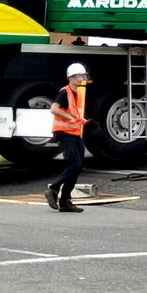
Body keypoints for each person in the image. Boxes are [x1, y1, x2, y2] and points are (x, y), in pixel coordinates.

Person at [45, 62, 90, 213]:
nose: (82, 78)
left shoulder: (77, 93)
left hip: (76, 133)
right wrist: (69, 118)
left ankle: (65, 201)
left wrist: (85, 121)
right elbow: (54, 109)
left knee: (78, 166)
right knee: (75, 165)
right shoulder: (64, 92)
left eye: (83, 75)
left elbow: (74, 114)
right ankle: (53, 188)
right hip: (64, 133)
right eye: (79, 76)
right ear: (70, 77)